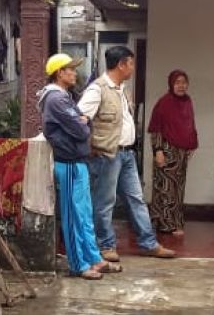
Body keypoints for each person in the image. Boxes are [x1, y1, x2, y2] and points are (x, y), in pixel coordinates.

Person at [78, 45, 176, 261]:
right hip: (107, 154)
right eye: (130, 63)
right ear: (121, 64)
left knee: (136, 199)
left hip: (127, 154)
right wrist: (90, 147)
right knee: (105, 202)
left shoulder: (121, 89)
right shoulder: (97, 89)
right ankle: (105, 245)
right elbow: (80, 120)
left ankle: (148, 243)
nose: (132, 68)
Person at [38, 52, 113, 280]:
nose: (74, 73)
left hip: (77, 162)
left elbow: (84, 121)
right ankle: (78, 264)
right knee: (72, 215)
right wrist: (84, 124)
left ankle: (93, 258)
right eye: (71, 69)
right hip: (68, 163)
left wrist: (85, 122)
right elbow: (81, 129)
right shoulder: (56, 99)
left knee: (83, 213)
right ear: (60, 73)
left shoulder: (65, 96)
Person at [148, 69, 199, 236]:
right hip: (167, 150)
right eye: (177, 82)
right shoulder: (164, 102)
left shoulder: (187, 101)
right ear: (171, 84)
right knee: (166, 188)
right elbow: (156, 129)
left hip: (182, 152)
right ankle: (165, 224)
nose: (181, 86)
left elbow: (190, 124)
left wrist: (192, 144)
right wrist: (158, 151)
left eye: (184, 82)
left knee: (178, 189)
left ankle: (175, 222)